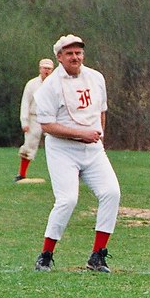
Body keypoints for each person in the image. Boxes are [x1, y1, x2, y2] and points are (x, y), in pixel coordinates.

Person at [33, 34, 121, 274]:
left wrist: (98, 134)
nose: (75, 57)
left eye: (78, 52)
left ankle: (97, 256)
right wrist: (80, 133)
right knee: (68, 199)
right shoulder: (49, 86)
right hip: (63, 150)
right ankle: (46, 255)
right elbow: (47, 125)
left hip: (92, 149)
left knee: (111, 193)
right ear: (59, 57)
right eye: (69, 53)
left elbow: (101, 111)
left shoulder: (96, 78)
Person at [15, 58, 55, 182]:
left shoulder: (55, 84)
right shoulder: (32, 84)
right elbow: (25, 103)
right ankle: (21, 174)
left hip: (51, 118)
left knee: (57, 145)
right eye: (45, 68)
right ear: (40, 69)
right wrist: (24, 121)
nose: (47, 71)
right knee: (29, 145)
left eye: (49, 69)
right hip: (34, 118)